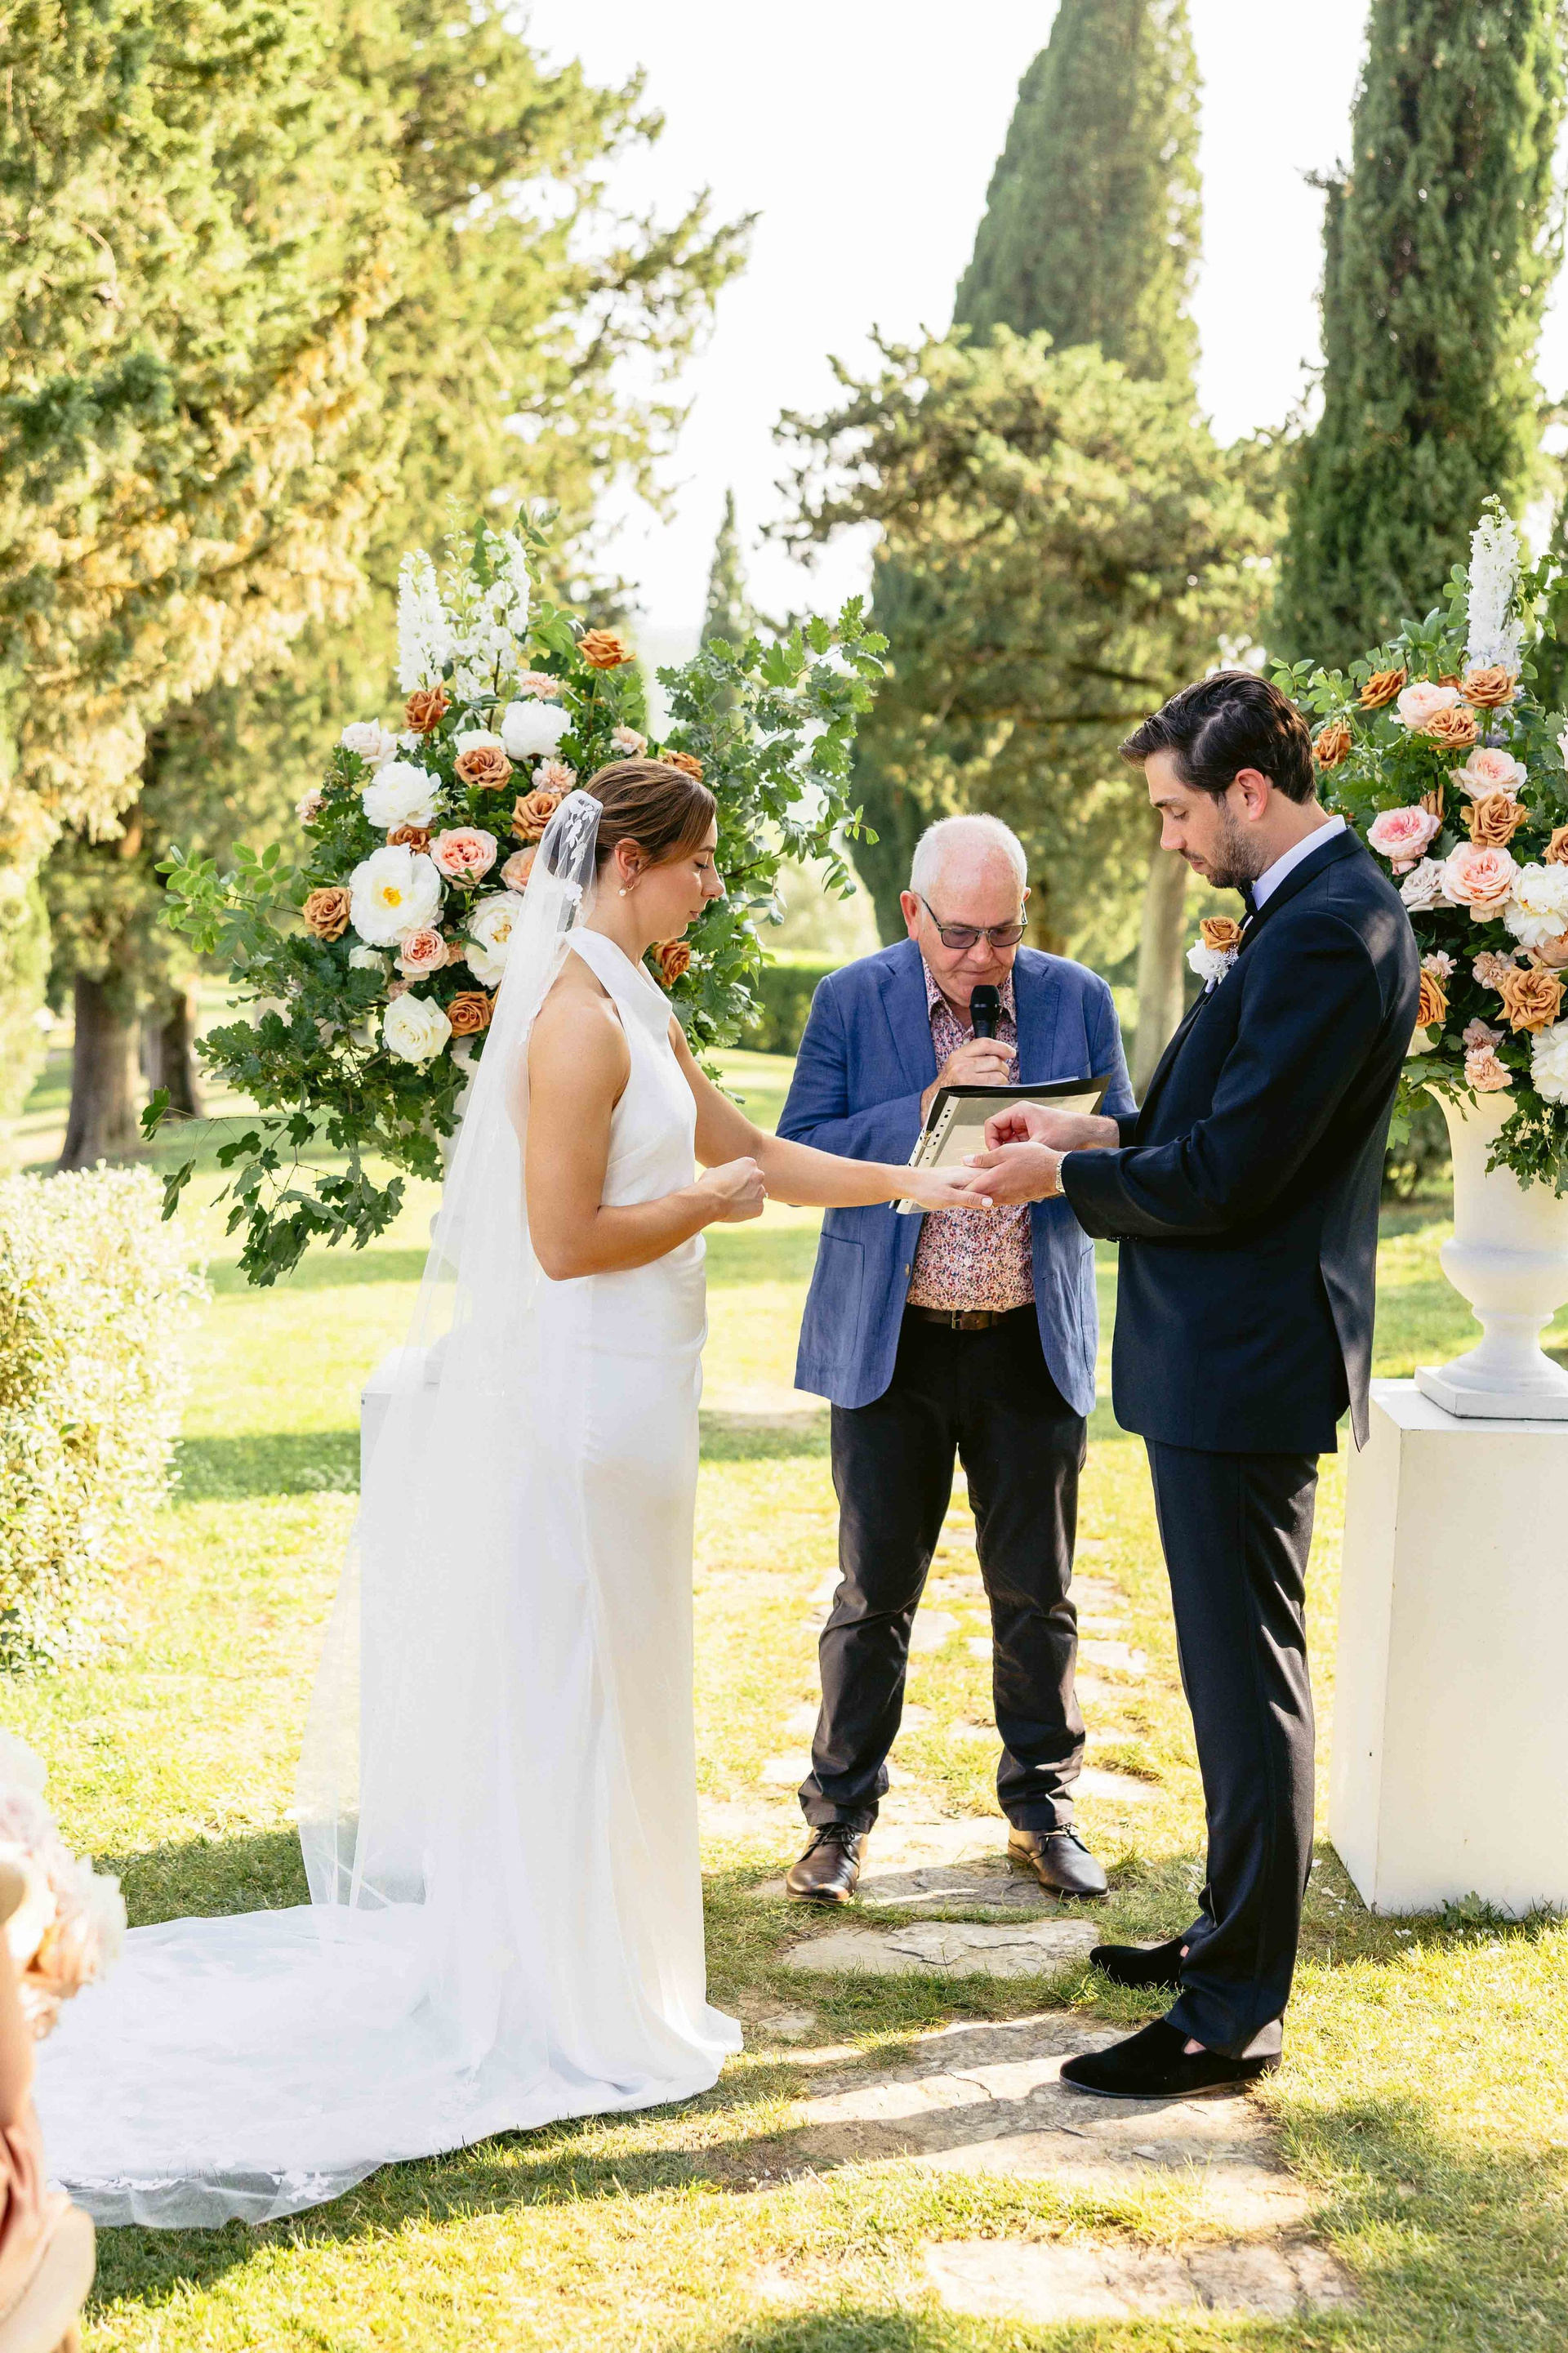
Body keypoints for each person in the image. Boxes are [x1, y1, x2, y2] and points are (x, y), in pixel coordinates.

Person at [34, 763, 973, 2226]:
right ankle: (561, 1992)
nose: (714, 884)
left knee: (629, 1677)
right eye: (699, 861)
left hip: (650, 1400)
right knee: (575, 1683)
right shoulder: (576, 1022)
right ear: (631, 863)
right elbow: (564, 1239)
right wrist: (700, 1207)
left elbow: (754, 1152)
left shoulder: (641, 1000)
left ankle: (618, 1968)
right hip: (590, 1404)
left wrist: (926, 1187)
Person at [962, 673, 1420, 2099]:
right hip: (1223, 1354)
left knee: (1248, 1678)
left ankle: (1231, 2014)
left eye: (1175, 809)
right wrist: (1084, 1134)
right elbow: (1204, 1120)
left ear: (1247, 791)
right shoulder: (1303, 910)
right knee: (1228, 1675)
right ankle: (1228, 1931)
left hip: (1248, 1356)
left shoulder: (1332, 929)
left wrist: (1061, 1184)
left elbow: (1230, 1175)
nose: (1168, 838)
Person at [775, 813, 1135, 1904]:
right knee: (873, 1594)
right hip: (896, 1347)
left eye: (1005, 933)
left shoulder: (1077, 998)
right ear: (912, 912)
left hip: (1031, 1338)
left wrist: (1069, 1136)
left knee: (1039, 1594)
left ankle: (1044, 1810)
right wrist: (927, 1106)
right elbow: (797, 1154)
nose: (985, 957)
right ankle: (838, 1820)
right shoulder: (849, 999)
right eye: (962, 934)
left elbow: (1130, 1135)